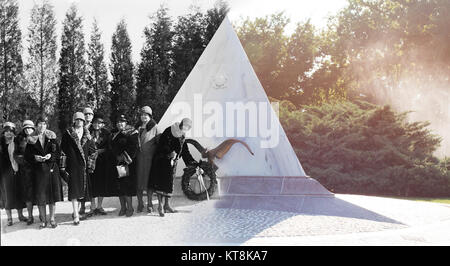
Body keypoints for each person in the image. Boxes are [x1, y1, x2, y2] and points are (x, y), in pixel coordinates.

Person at [148, 118, 196, 217]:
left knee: (169, 184)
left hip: (172, 163)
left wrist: (192, 162)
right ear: (181, 124)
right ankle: (160, 206)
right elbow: (161, 144)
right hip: (161, 160)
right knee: (161, 183)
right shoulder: (169, 130)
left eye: (188, 127)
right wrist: (169, 152)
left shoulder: (182, 135)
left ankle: (167, 205)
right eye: (185, 126)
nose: (185, 128)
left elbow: (184, 150)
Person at [24, 117, 63, 229]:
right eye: (39, 124)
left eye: (44, 124)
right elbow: (27, 156)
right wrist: (35, 157)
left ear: (46, 126)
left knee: (52, 196)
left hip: (51, 169)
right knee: (41, 196)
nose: (42, 126)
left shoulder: (52, 136)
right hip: (38, 171)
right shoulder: (31, 139)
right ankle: (43, 220)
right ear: (36, 126)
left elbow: (58, 152)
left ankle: (52, 219)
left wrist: (51, 156)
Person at [61, 112, 97, 225]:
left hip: (84, 167)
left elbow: (93, 151)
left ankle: (81, 211)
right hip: (72, 166)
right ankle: (75, 214)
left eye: (81, 120)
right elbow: (62, 151)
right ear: (74, 121)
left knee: (83, 190)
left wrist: (90, 165)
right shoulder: (68, 134)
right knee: (73, 190)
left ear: (84, 122)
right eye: (77, 120)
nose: (79, 122)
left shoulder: (87, 134)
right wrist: (63, 167)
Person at [110, 114, 139, 217]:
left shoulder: (132, 132)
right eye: (118, 122)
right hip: (116, 163)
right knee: (119, 187)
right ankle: (123, 207)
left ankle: (130, 207)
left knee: (127, 186)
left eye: (122, 122)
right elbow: (111, 146)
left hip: (128, 163)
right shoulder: (114, 133)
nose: (119, 124)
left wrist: (124, 157)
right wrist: (116, 156)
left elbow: (134, 147)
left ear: (126, 123)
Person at [0, 122, 27, 226]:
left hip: (17, 170)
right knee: (7, 194)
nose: (8, 133)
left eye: (10, 131)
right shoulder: (1, 143)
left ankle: (20, 215)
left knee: (19, 192)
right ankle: (9, 218)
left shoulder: (17, 141)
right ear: (3, 132)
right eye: (6, 131)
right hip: (4, 172)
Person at [135, 106, 160, 213]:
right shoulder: (136, 128)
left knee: (149, 182)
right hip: (138, 160)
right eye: (142, 115)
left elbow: (160, 144)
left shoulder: (155, 127)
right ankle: (140, 203)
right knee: (138, 182)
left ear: (150, 116)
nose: (143, 116)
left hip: (150, 160)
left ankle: (149, 203)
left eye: (146, 115)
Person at [14, 120, 37, 225]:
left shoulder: (38, 137)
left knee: (40, 192)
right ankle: (30, 216)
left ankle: (42, 215)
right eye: (26, 128)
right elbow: (16, 154)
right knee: (28, 194)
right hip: (25, 170)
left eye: (30, 128)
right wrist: (24, 161)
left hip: (38, 169)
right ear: (23, 129)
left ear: (33, 128)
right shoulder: (18, 139)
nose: (28, 130)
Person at [90, 114, 110, 215]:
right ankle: (92, 207)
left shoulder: (106, 133)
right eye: (95, 123)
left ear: (102, 124)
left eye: (99, 123)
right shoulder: (89, 132)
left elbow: (109, 147)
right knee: (92, 184)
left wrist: (100, 151)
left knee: (101, 184)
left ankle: (100, 206)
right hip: (91, 161)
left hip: (102, 161)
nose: (97, 124)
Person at [79, 107, 94, 215]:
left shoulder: (96, 126)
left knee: (94, 184)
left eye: (90, 114)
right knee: (83, 185)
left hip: (94, 159)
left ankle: (94, 207)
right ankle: (82, 206)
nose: (88, 116)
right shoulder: (79, 127)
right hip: (83, 159)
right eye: (86, 114)